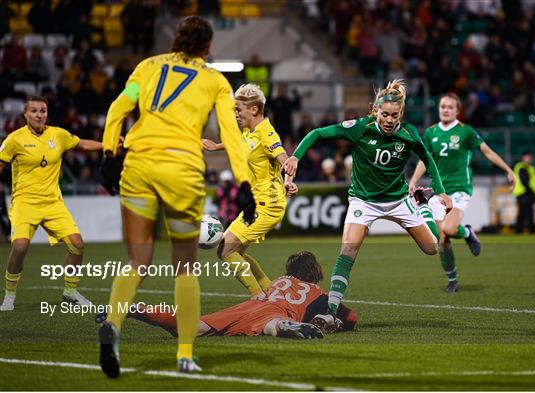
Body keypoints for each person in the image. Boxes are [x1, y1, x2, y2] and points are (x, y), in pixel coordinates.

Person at [98, 16, 255, 377]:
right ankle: (185, 355)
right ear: (207, 47)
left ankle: (114, 324)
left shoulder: (147, 67)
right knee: (184, 266)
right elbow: (230, 134)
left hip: (137, 165)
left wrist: (109, 154)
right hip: (181, 169)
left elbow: (120, 107)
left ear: (176, 40)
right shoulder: (214, 80)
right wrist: (244, 183)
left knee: (137, 260)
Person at [283, 79, 452, 319]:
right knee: (348, 251)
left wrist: (440, 189)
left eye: (395, 115)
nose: (389, 120)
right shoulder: (359, 127)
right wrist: (296, 156)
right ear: (375, 110)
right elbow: (317, 133)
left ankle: (423, 206)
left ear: (400, 113)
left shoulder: (409, 133)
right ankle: (330, 312)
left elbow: (428, 158)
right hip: (364, 202)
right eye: (385, 114)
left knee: (432, 248)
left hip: (398, 200)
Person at [0, 96, 106, 311]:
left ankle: (70, 292)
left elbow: (82, 144)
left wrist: (108, 145)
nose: (39, 115)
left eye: (43, 111)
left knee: (77, 244)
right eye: (34, 111)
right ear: (26, 115)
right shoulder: (14, 139)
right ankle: (9, 295)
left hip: (52, 203)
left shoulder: (57, 134)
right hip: (25, 202)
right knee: (19, 246)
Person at [409, 93, 516, 293]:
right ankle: (453, 280)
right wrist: (414, 180)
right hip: (439, 191)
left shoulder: (466, 131)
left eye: (450, 107)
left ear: (458, 110)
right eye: (443, 106)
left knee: (449, 229)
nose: (446, 110)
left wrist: (507, 169)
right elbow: (425, 160)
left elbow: (487, 151)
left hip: (460, 188)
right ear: (438, 109)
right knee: (442, 238)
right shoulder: (431, 133)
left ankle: (467, 233)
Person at [202, 83, 297, 298]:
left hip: (269, 205)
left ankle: (258, 298)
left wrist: (289, 179)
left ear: (254, 109)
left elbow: (284, 159)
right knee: (235, 252)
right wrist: (216, 146)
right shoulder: (250, 130)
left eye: (238, 109)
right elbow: (243, 142)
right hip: (257, 204)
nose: (235, 114)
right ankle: (271, 293)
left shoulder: (267, 133)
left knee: (225, 250)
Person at [124, 252, 357, 338]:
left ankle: (137, 310)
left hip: (248, 306)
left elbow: (255, 270)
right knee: (271, 325)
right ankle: (286, 326)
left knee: (192, 327)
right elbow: (352, 318)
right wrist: (337, 320)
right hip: (277, 312)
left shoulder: (279, 281)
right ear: (315, 272)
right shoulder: (319, 294)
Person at [513, 150, 535, 234]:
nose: (529, 158)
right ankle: (522, 230)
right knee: (525, 213)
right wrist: (532, 193)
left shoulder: (531, 168)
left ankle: (522, 230)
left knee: (527, 213)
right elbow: (524, 181)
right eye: (527, 156)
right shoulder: (521, 167)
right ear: (523, 157)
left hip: (528, 193)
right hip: (523, 193)